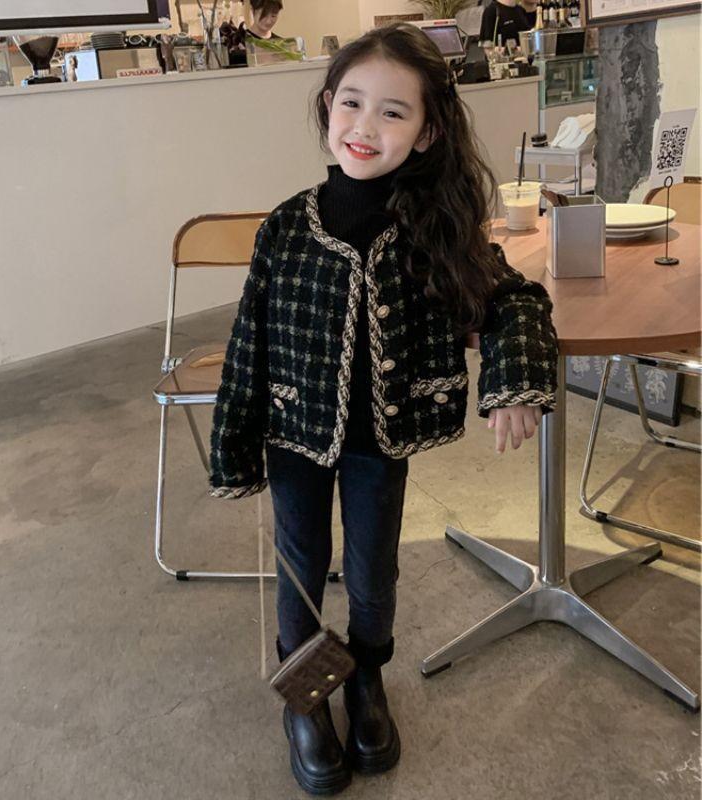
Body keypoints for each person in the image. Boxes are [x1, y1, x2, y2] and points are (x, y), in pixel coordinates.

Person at [209, 23, 558, 796]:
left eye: (393, 112)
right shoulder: (285, 227)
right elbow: (249, 341)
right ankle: (305, 697)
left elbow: (515, 301)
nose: (365, 126)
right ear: (328, 106)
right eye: (352, 102)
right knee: (301, 566)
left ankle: (367, 675)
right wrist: (233, 446)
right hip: (294, 433)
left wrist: (513, 382)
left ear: (427, 131)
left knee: (372, 572)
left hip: (383, 440)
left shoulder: (434, 229)